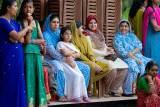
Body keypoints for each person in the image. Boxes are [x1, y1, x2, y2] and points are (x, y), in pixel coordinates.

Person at [43, 14, 90, 102]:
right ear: (48, 23)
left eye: (57, 22)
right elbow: (51, 51)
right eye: (53, 22)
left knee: (86, 68)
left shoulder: (59, 33)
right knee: (59, 69)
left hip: (67, 59)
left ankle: (81, 93)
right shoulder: (46, 34)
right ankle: (61, 94)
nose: (56, 24)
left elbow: (72, 49)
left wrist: (70, 57)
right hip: (52, 59)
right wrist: (64, 59)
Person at [83, 15, 128, 97]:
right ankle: (106, 90)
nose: (93, 25)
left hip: (105, 55)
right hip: (96, 57)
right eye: (90, 23)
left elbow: (103, 46)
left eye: (95, 23)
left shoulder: (98, 33)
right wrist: (104, 53)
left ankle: (114, 89)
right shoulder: (86, 34)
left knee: (124, 67)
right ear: (87, 24)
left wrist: (108, 49)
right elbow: (90, 50)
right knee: (112, 68)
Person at [0, 0, 33, 107]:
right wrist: (25, 30)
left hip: (18, 58)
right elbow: (18, 36)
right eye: (15, 6)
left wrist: (28, 24)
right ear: (7, 8)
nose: (17, 8)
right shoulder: (2, 21)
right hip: (7, 57)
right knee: (7, 83)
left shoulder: (14, 23)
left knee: (17, 84)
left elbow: (25, 40)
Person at [16, 0, 47, 106]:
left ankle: (39, 103)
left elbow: (42, 40)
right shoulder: (19, 22)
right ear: (22, 9)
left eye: (30, 7)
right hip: (26, 53)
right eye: (25, 7)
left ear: (33, 9)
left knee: (37, 77)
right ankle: (28, 103)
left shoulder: (37, 23)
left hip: (36, 54)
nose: (28, 9)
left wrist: (34, 41)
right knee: (28, 78)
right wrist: (29, 24)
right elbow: (27, 40)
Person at [71, 20, 111, 97]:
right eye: (81, 28)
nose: (83, 30)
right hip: (80, 60)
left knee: (107, 67)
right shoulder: (72, 39)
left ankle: (87, 82)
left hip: (89, 60)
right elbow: (79, 54)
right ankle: (88, 90)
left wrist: (93, 61)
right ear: (76, 29)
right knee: (92, 67)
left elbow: (90, 52)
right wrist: (91, 63)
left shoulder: (83, 37)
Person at [113, 19, 151, 96]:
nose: (124, 28)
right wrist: (136, 58)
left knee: (148, 64)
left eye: (126, 26)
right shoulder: (117, 38)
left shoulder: (132, 36)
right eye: (121, 26)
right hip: (124, 58)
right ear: (118, 27)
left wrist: (133, 53)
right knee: (133, 66)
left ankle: (140, 89)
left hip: (136, 56)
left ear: (129, 27)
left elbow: (139, 46)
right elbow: (122, 53)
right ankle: (127, 90)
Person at [56, 26, 90, 102]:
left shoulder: (71, 45)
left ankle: (83, 95)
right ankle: (74, 97)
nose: (68, 36)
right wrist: (72, 52)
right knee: (76, 76)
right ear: (62, 35)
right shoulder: (60, 44)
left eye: (70, 34)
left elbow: (78, 54)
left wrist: (72, 55)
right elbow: (65, 53)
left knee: (81, 76)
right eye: (66, 34)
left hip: (72, 63)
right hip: (64, 64)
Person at [143, 0, 160, 73]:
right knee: (151, 63)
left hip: (158, 39)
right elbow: (156, 28)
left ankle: (157, 83)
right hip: (151, 40)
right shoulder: (149, 9)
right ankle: (148, 82)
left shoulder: (158, 9)